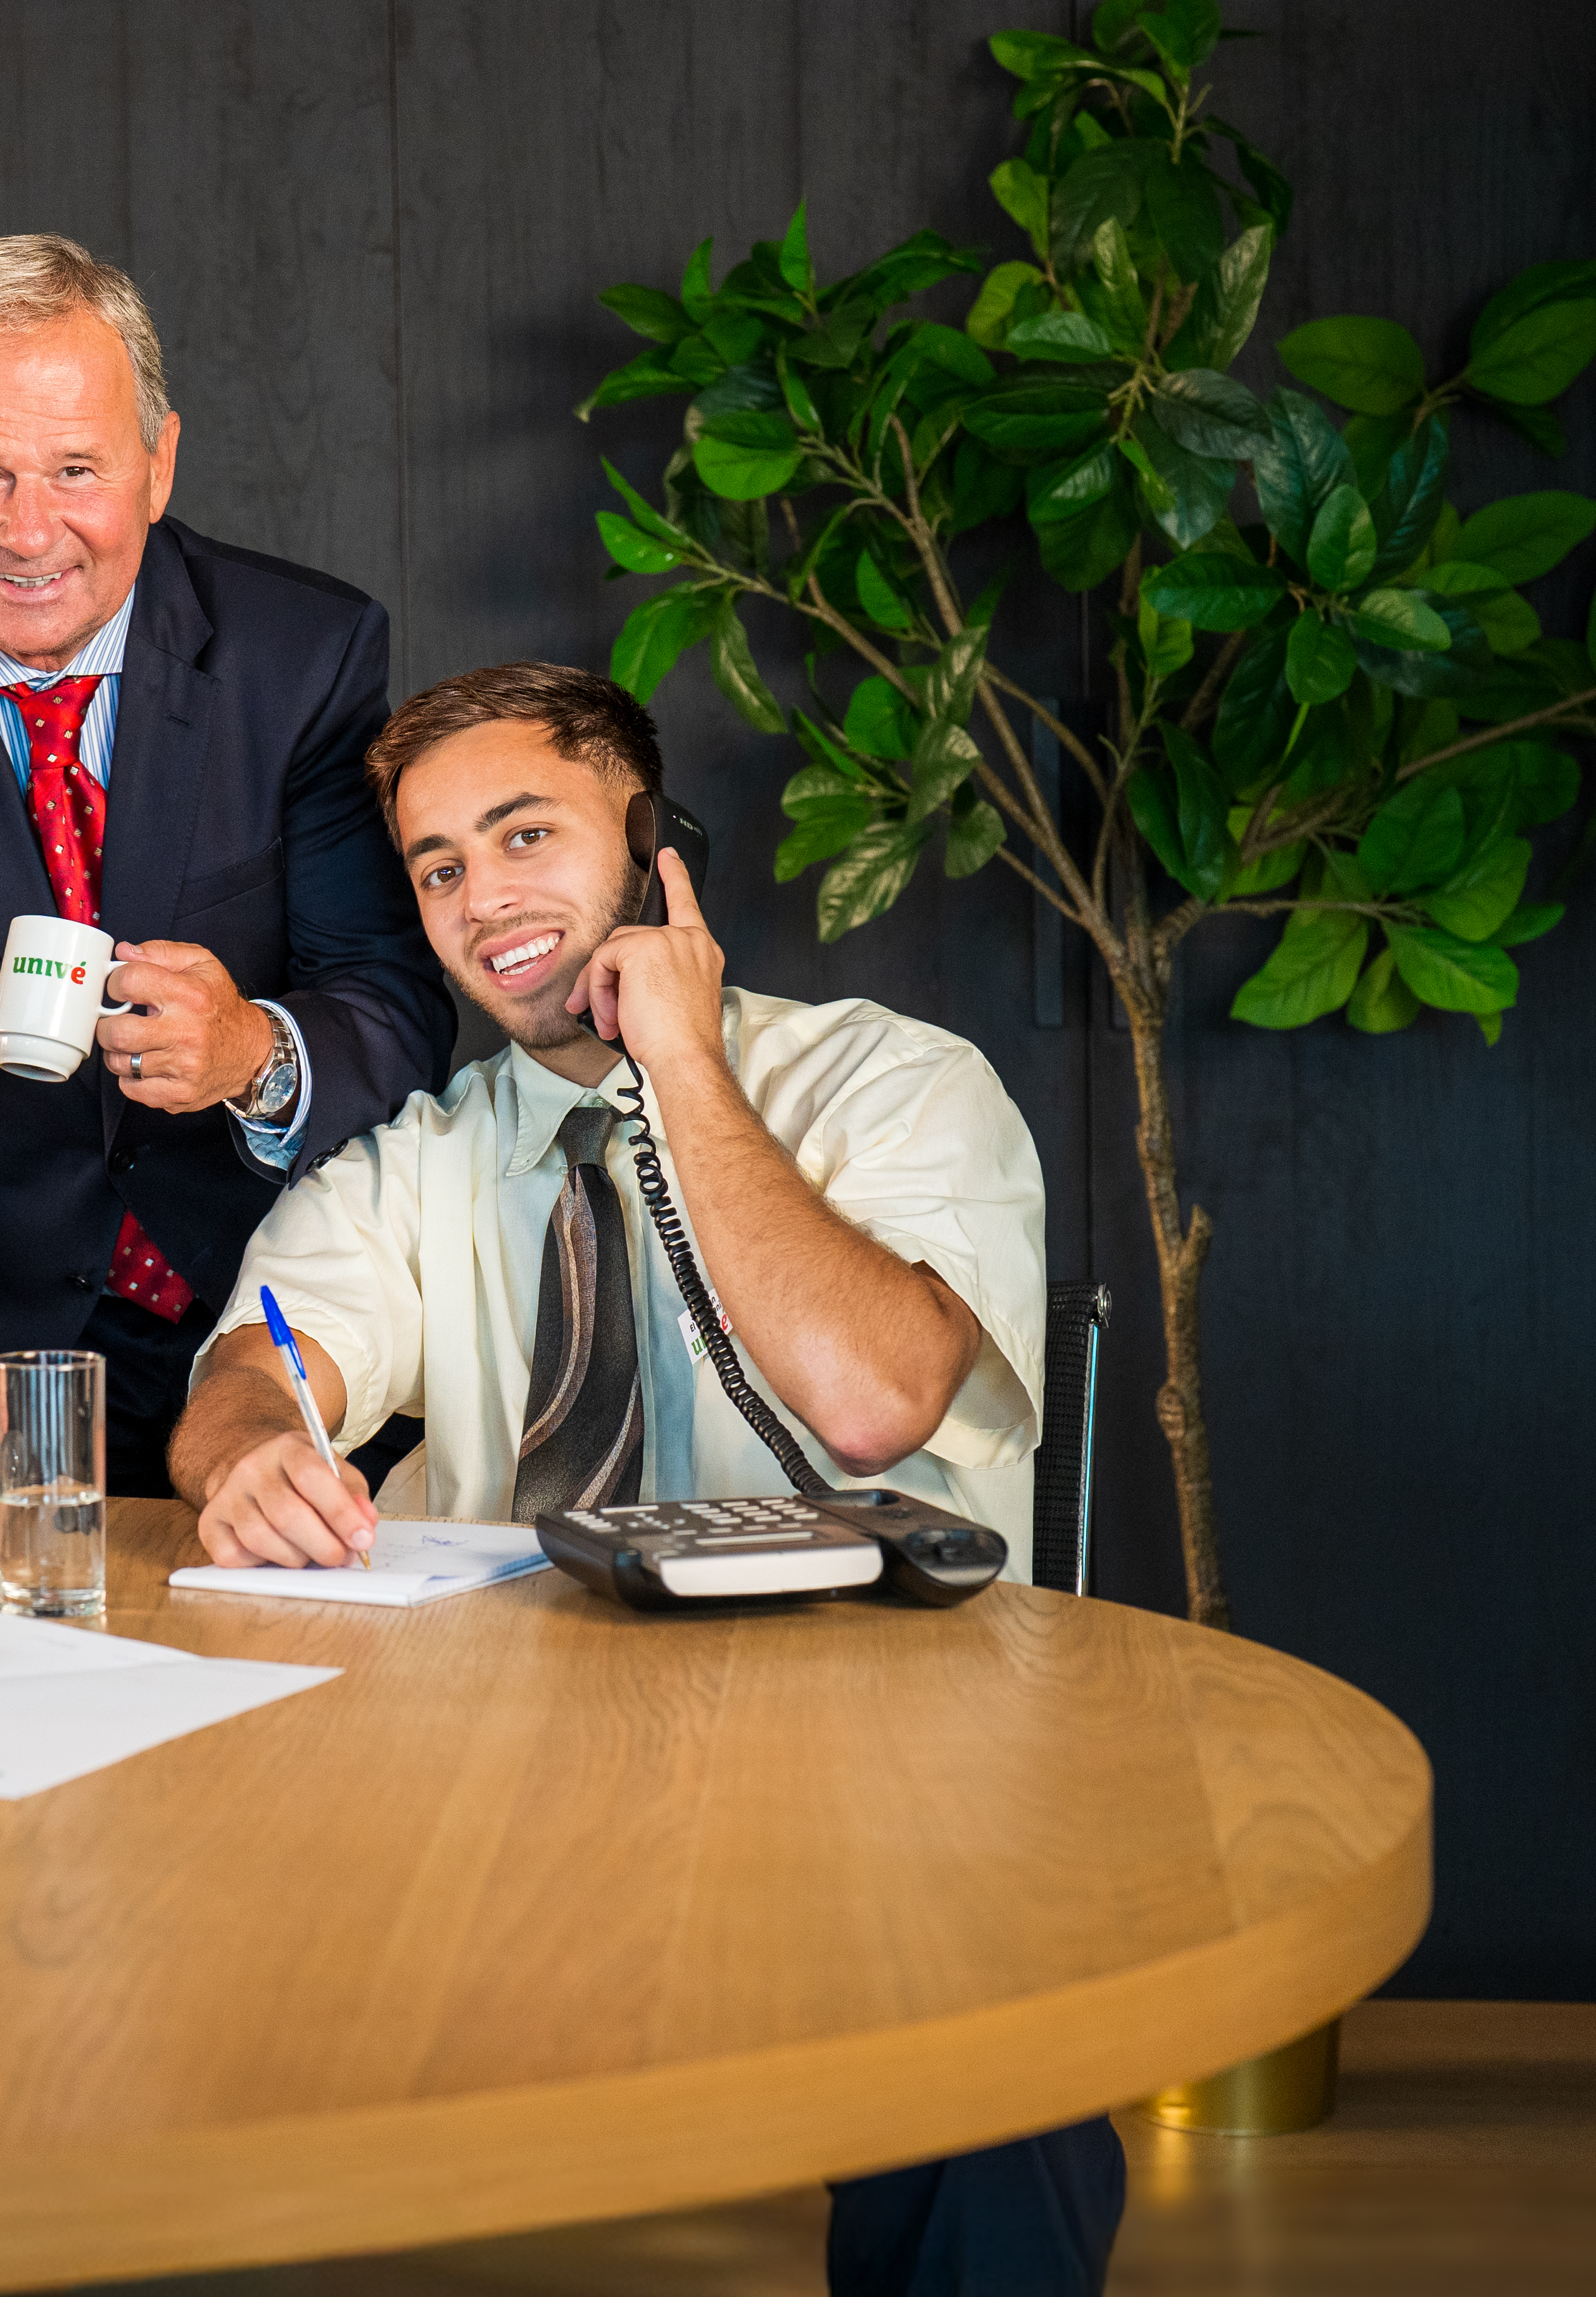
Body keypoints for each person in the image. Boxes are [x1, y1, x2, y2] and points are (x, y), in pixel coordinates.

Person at [170, 660, 1115, 2297]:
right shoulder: (419, 1157)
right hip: (500, 1797)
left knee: (996, 2093)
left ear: (655, 847)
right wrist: (252, 1440)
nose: (481, 898)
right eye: (438, 867)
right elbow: (255, 1358)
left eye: (523, 834)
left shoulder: (895, 1083)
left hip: (874, 1782)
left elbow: (872, 1399)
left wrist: (679, 1068)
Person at [0, 234, 456, 1496]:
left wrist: (253, 1053)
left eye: (76, 468)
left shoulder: (304, 657)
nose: (29, 531)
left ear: (157, 463)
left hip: (277, 1323)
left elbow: (393, 1002)